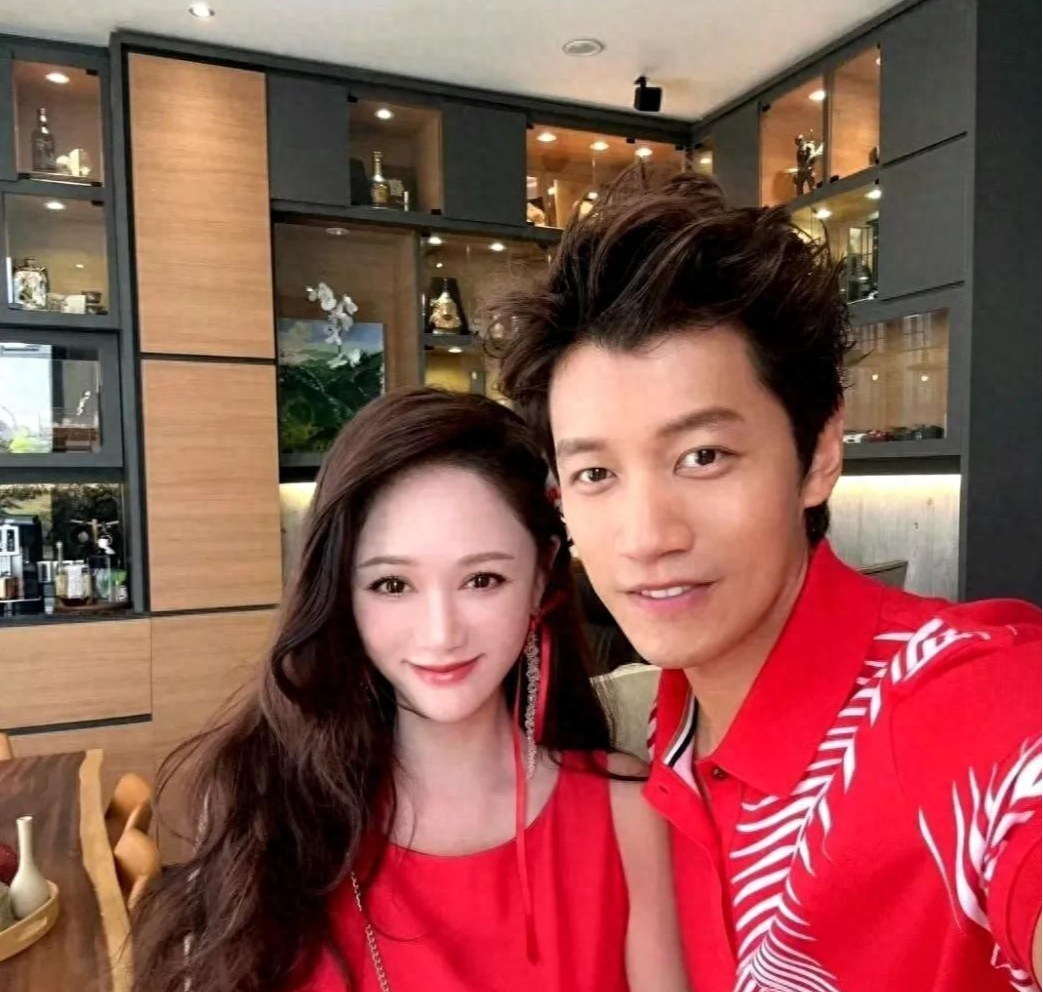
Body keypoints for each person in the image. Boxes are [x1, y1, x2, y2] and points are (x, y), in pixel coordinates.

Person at [493, 168, 1042, 992]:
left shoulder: (963, 702)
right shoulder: (666, 730)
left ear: (816, 453)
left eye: (702, 456)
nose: (646, 538)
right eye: (596, 474)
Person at [130, 388, 690, 992]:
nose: (440, 633)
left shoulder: (629, 815)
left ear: (539, 576)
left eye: (482, 579)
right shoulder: (269, 814)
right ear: (342, 593)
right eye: (393, 585)